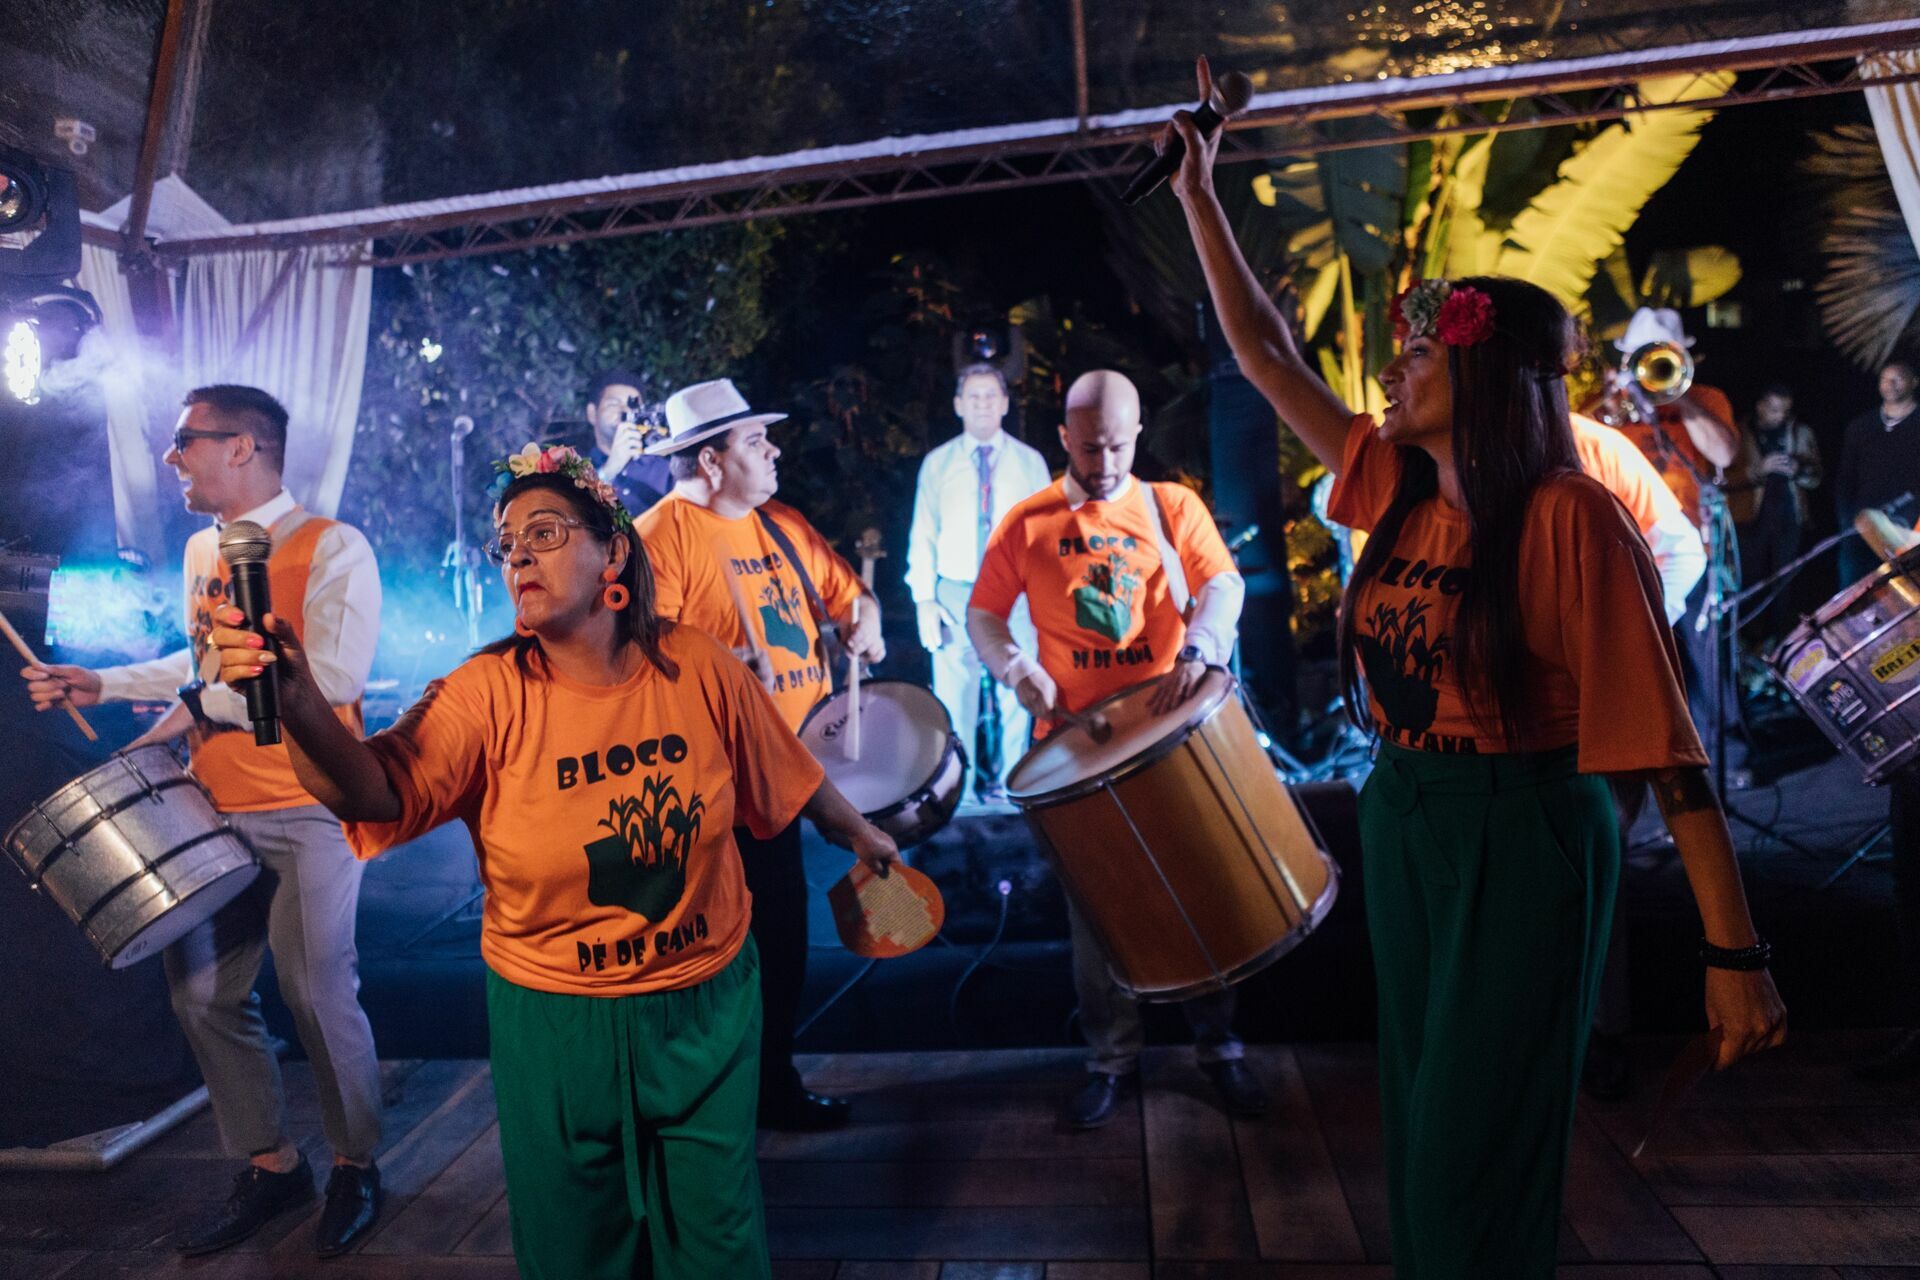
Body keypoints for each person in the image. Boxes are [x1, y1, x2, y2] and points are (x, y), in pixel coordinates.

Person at [1168, 57, 1784, 1276]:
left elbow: (1667, 752)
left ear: (1487, 381)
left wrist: (1736, 956)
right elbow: (1264, 351)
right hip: (1408, 815)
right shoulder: (1394, 485)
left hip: (1522, 826)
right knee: (1422, 1130)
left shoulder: (1568, 518)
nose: (1392, 372)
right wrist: (1199, 190)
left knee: (1474, 1149)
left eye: (1418, 358)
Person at [200, 442, 898, 1280]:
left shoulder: (698, 664)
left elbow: (783, 764)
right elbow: (372, 793)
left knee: (719, 1241)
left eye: (545, 531)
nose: (519, 553)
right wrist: (301, 696)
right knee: (578, 1249)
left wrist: (859, 831)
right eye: (507, 542)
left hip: (706, 1008)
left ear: (614, 551)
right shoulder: (483, 693)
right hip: (557, 1019)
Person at [23, 385, 386, 1258]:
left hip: (310, 802)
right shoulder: (199, 551)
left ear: (245, 448)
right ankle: (271, 1164)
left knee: (313, 987)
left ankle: (356, 1166)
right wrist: (102, 683)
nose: (171, 457)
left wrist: (192, 702)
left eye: (186, 440)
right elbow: (200, 663)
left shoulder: (334, 548)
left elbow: (331, 679)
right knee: (203, 998)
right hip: (211, 808)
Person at [965, 368, 1259, 1129]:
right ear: (1064, 437)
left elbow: (1223, 583)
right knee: (1097, 914)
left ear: (1138, 436)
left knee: (1198, 890)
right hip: (1073, 747)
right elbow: (984, 615)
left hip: (1163, 740)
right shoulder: (1028, 521)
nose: (1104, 464)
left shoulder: (1171, 506)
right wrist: (1016, 669)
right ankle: (1111, 1058)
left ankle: (1219, 1046)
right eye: (1090, 448)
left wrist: (1200, 646)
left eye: (1120, 447)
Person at [634, 377, 884, 1131]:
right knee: (733, 948)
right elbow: (640, 664)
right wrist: (709, 671)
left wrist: (865, 623)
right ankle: (721, 1099)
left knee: (780, 938)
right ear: (710, 462)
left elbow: (851, 597)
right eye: (753, 441)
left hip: (797, 771)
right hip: (718, 787)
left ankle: (771, 1081)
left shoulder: (781, 525)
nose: (773, 449)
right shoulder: (658, 538)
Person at [904, 363, 1051, 802]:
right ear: (958, 405)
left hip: (1015, 591)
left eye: (991, 396)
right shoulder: (938, 464)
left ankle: (1012, 786)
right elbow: (922, 533)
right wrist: (924, 600)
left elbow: (1046, 534)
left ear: (1005, 404)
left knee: (1018, 686)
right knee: (955, 692)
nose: (983, 404)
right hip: (956, 590)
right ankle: (960, 794)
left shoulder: (1030, 463)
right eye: (974, 397)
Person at [1727, 384, 1822, 643]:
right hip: (1749, 517)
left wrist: (1798, 469)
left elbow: (1816, 478)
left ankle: (1778, 640)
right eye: (1773, 409)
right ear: (1760, 406)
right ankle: (1747, 638)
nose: (1779, 416)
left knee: (1784, 581)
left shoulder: (1801, 433)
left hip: (1789, 517)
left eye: (1784, 411)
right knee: (1749, 579)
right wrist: (1760, 469)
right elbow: (1724, 480)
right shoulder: (1736, 431)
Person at [1835, 357, 1920, 590]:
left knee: (1904, 595)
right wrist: (1847, 520)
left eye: (1897, 379)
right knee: (1854, 594)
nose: (1889, 384)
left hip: (1907, 531)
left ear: (1914, 382)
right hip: (1861, 528)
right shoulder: (1860, 427)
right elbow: (1846, 478)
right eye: (1884, 379)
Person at [587, 369, 675, 516]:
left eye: (633, 405)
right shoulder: (571, 467)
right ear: (592, 413)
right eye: (613, 404)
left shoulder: (666, 470)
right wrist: (608, 471)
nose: (625, 412)